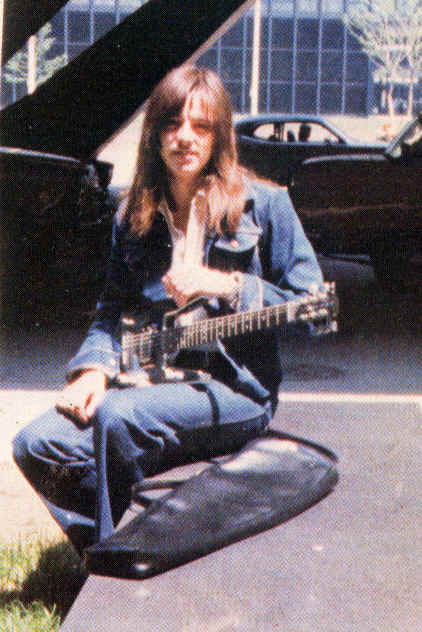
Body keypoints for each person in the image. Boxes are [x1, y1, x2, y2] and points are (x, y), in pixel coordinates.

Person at [13, 65, 323, 553]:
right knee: (36, 444)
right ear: (154, 134)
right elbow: (111, 310)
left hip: (236, 390)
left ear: (219, 136)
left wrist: (228, 284)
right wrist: (93, 369)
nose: (185, 138)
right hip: (152, 383)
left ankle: (115, 558)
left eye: (201, 126)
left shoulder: (265, 205)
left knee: (118, 417)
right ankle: (113, 546)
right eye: (172, 124)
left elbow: (312, 310)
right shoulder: (132, 215)